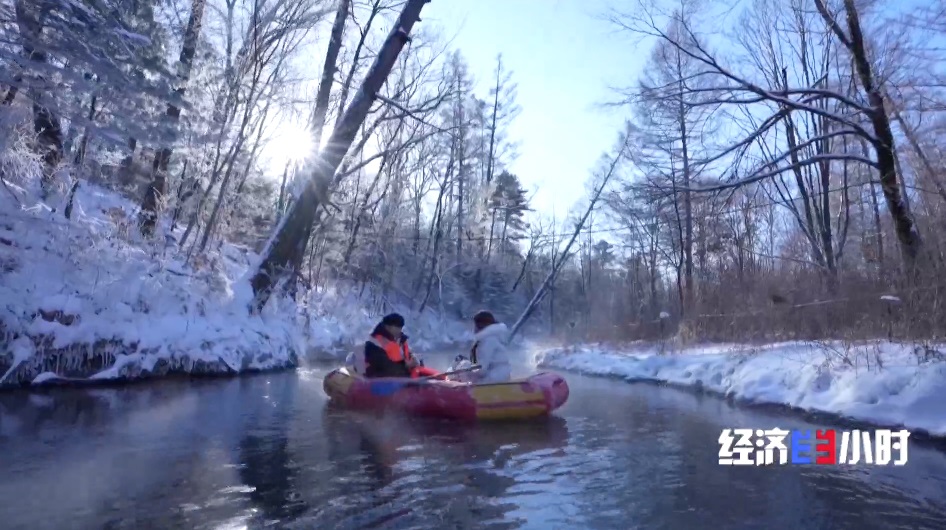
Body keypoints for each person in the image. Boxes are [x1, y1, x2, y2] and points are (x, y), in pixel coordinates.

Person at [363, 313, 439, 379]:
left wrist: (417, 362)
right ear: (387, 326)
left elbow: (408, 357)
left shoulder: (400, 341)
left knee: (427, 373)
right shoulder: (374, 344)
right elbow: (385, 368)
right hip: (382, 381)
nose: (399, 330)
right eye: (397, 327)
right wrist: (406, 366)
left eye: (400, 327)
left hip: (403, 377)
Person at [467, 310, 512, 384]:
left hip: (494, 378)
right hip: (502, 375)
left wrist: (469, 374)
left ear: (480, 324)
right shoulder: (494, 337)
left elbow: (482, 368)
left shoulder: (487, 340)